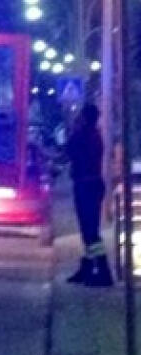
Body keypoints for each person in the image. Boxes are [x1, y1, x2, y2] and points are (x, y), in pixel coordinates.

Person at [65, 102, 114, 287]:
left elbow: (69, 150)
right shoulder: (95, 135)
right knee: (89, 230)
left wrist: (74, 126)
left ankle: (103, 271)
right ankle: (87, 268)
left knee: (90, 232)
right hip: (93, 184)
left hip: (85, 185)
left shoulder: (83, 135)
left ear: (84, 117)